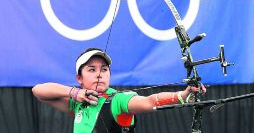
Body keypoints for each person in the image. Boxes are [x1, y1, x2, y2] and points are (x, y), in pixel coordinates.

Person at [32, 48, 206, 133]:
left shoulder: (118, 101)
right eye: (91, 70)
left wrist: (182, 96)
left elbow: (149, 101)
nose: (99, 74)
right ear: (79, 78)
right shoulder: (78, 103)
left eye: (104, 69)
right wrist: (75, 93)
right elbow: (38, 91)